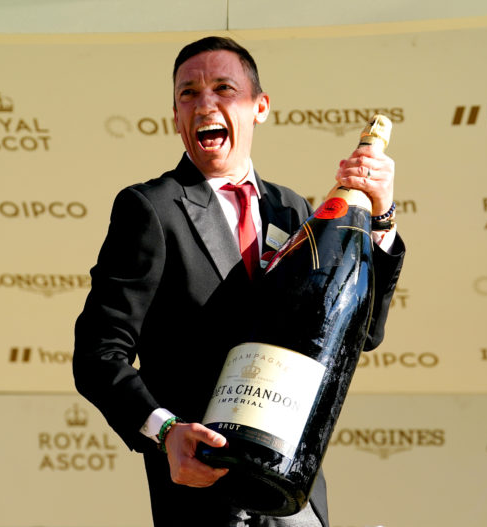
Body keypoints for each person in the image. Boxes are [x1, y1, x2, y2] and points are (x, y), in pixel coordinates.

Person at [73, 36, 405, 527]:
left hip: (293, 496)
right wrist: (166, 432)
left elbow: (361, 334)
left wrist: (382, 216)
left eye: (223, 88)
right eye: (188, 93)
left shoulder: (294, 209)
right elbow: (98, 354)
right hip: (202, 500)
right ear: (175, 115)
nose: (204, 102)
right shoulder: (150, 208)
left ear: (259, 107)